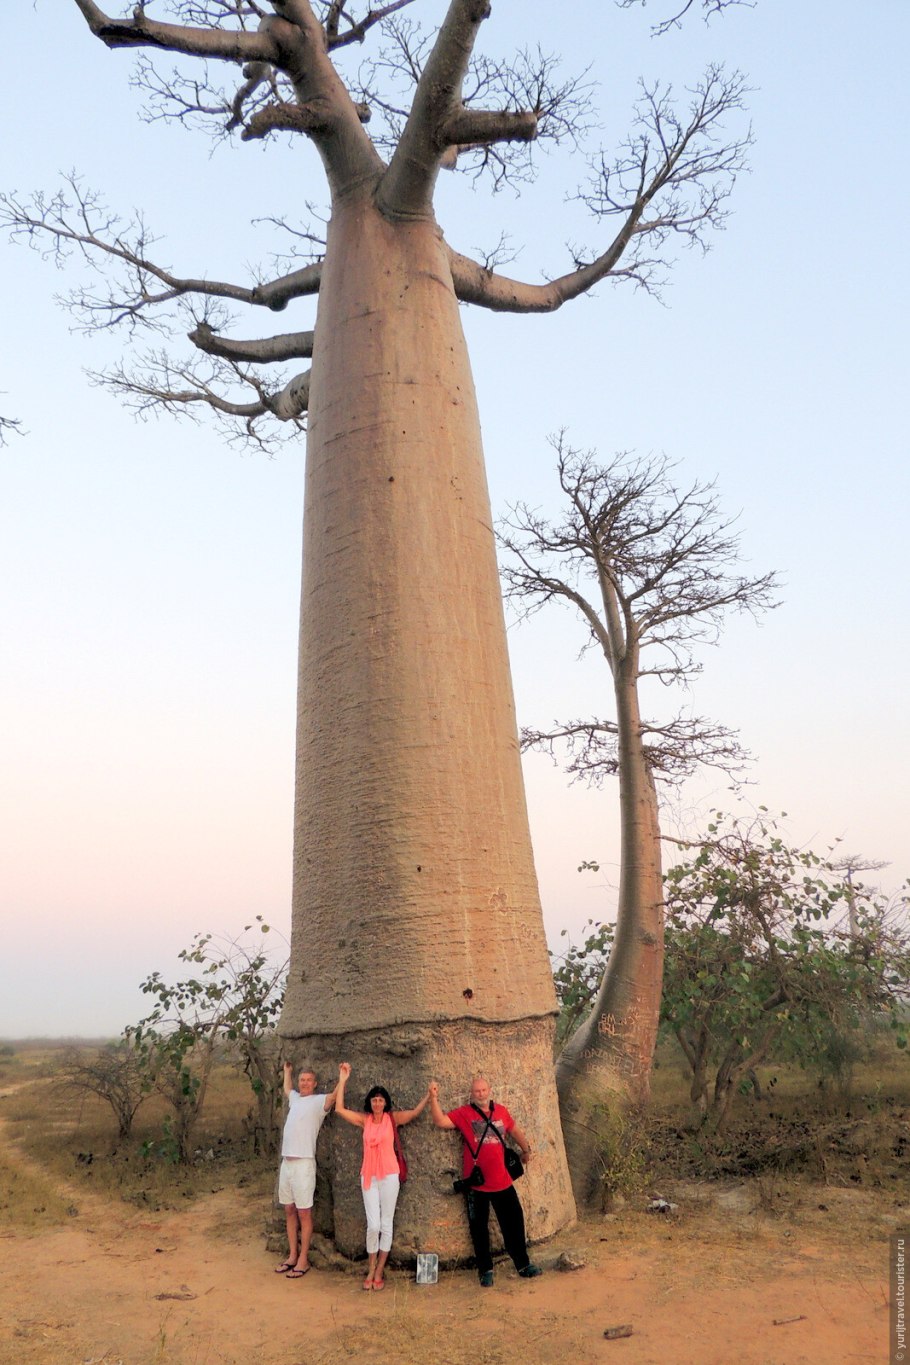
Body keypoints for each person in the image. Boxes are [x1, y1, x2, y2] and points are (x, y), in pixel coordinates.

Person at [429, 1076, 541, 1288]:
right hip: (476, 1185)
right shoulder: (464, 1114)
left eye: (483, 1090)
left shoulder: (501, 1111)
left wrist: (526, 1150)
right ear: (472, 1094)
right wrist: (433, 1098)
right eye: (476, 1091)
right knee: (478, 1229)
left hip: (503, 1181)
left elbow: (514, 1131)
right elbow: (440, 1121)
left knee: (514, 1223)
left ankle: (523, 1264)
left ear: (489, 1090)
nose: (480, 1094)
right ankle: (485, 1269)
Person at [335, 1061, 431, 1291]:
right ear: (370, 1102)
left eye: (381, 1099)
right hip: (368, 1175)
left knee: (386, 1223)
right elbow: (339, 1109)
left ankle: (379, 1271)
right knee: (373, 1225)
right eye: (374, 1099)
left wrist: (430, 1095)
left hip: (389, 1175)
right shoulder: (364, 1120)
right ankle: (370, 1267)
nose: (377, 1103)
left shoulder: (392, 1119)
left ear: (386, 1102)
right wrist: (342, 1080)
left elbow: (415, 1113)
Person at [275, 1061, 338, 1279]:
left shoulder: (318, 1101)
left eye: (308, 1080)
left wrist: (344, 1077)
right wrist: (287, 1072)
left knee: (304, 1212)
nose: (304, 1083)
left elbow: (333, 1097)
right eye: (302, 1080)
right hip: (287, 1163)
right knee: (289, 1210)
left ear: (315, 1083)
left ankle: (304, 1258)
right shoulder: (294, 1099)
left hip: (303, 1164)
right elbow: (286, 1089)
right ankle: (292, 1255)